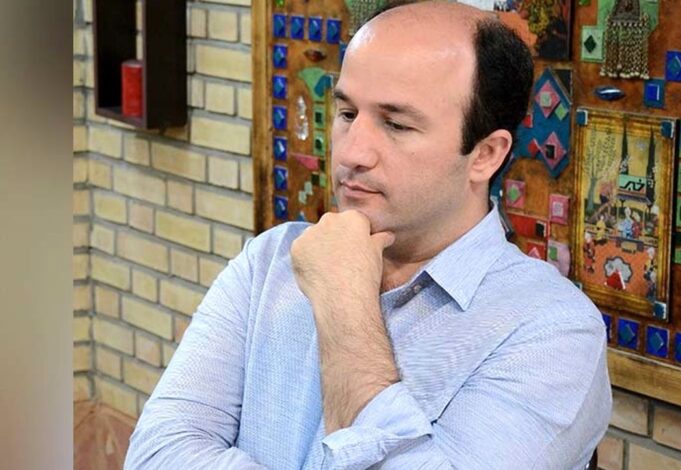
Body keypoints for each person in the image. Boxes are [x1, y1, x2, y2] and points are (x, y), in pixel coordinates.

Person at [124, 2, 611, 469]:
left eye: (396, 124)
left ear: (485, 154)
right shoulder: (271, 261)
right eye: (347, 114)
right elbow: (157, 454)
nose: (352, 153)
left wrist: (345, 308)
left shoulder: (552, 331)